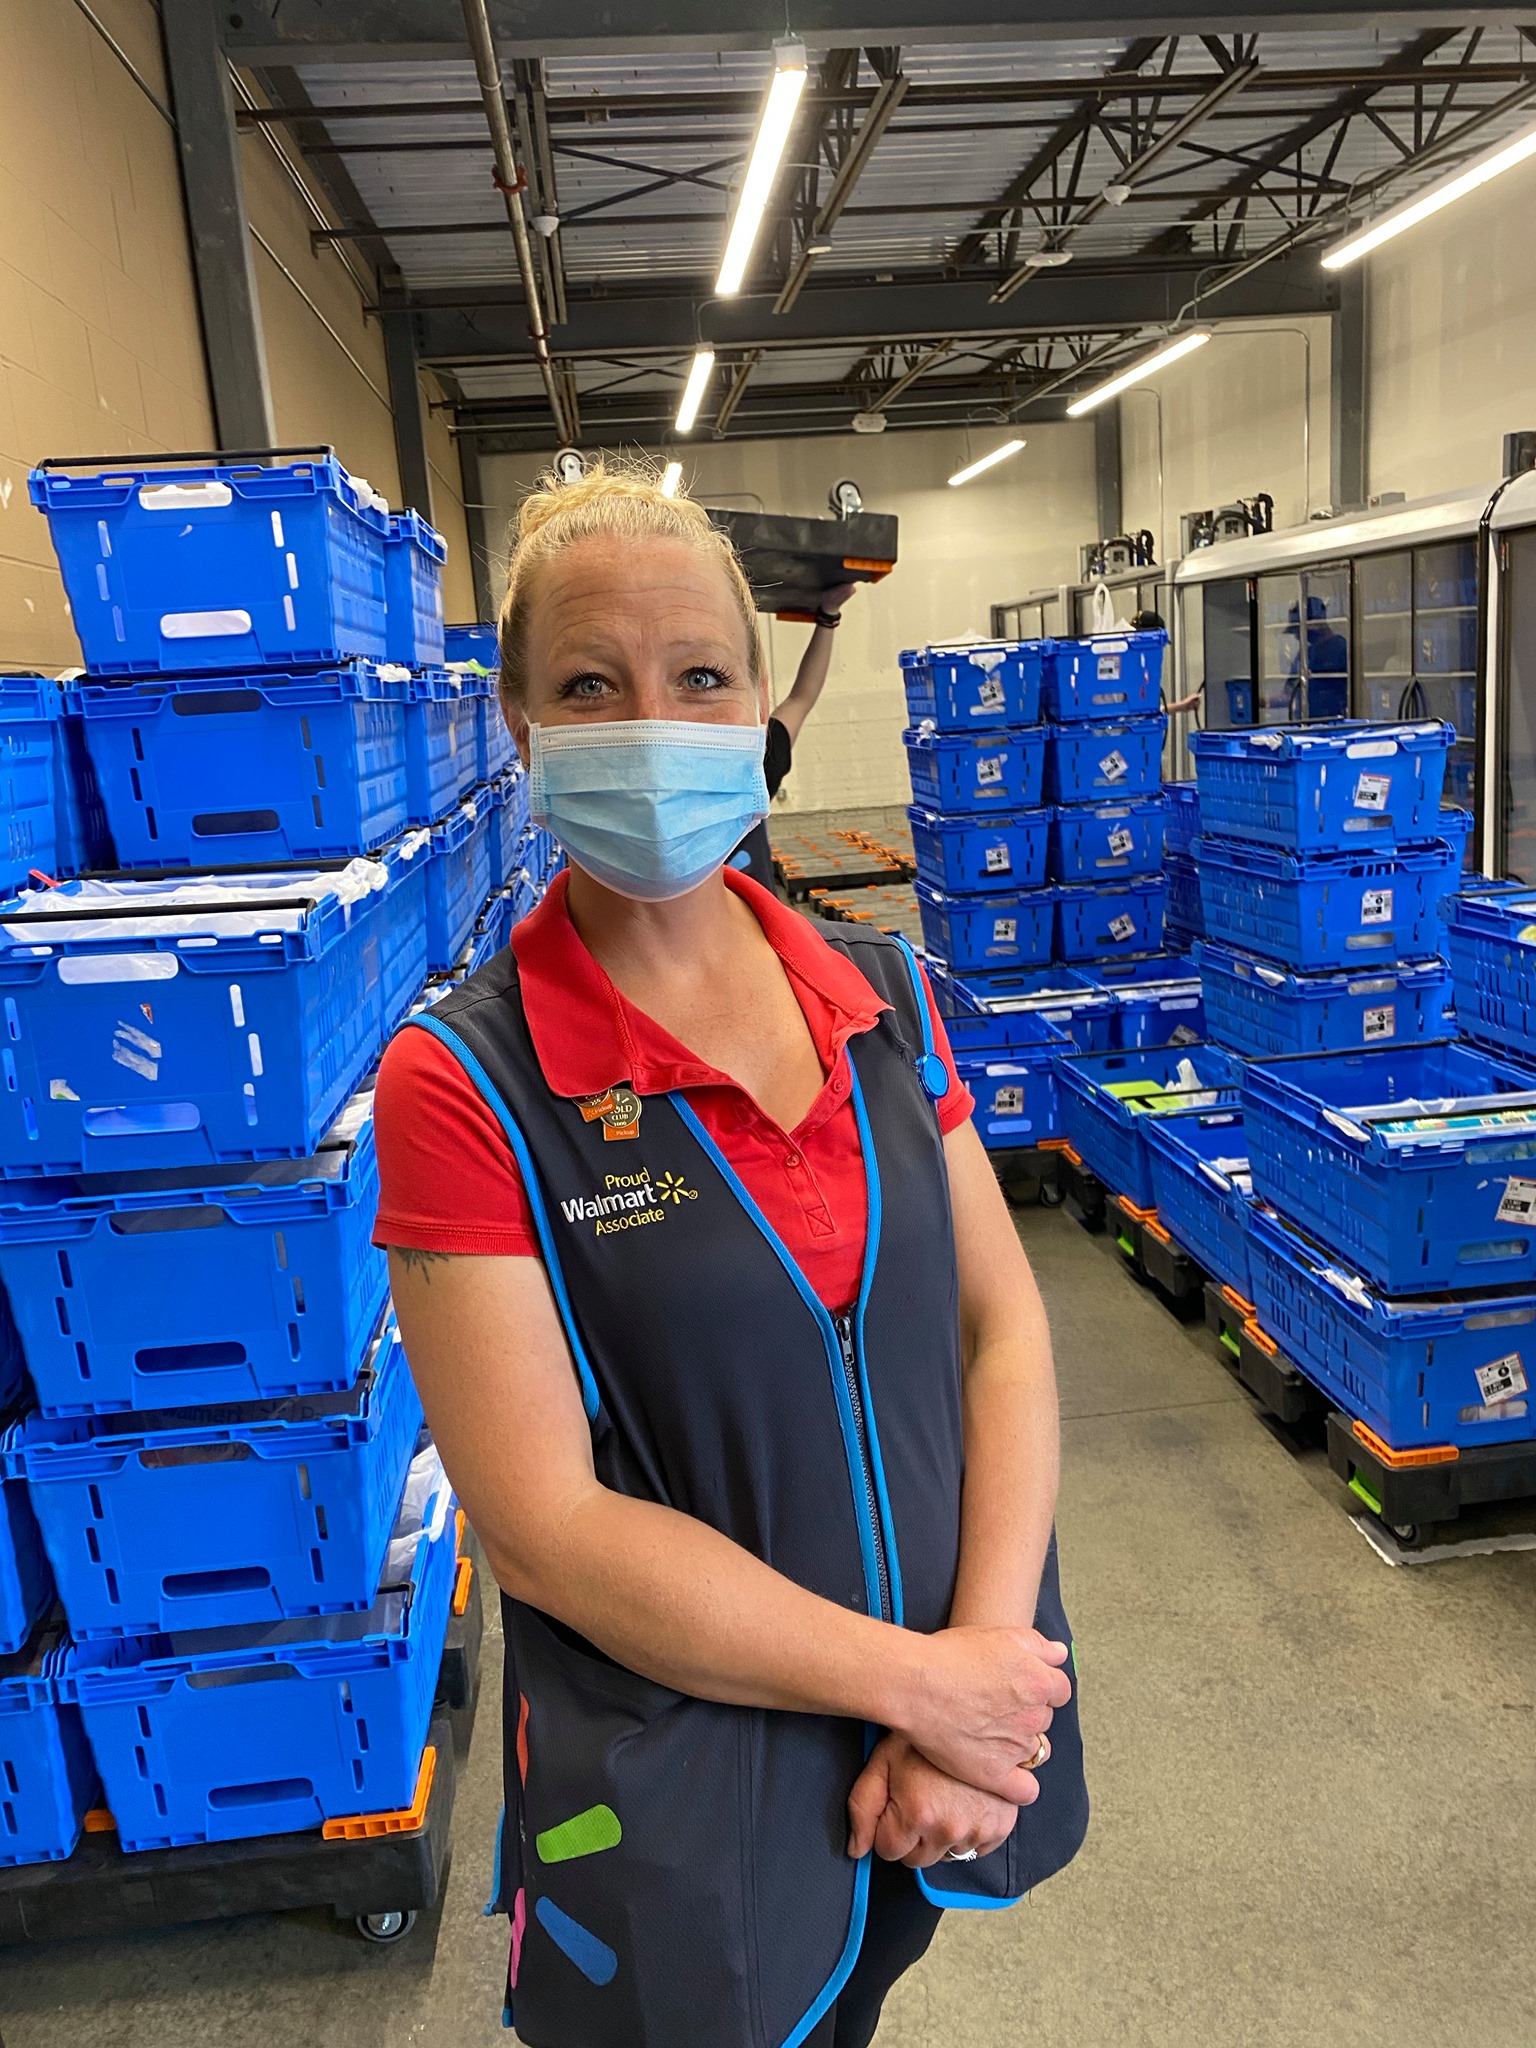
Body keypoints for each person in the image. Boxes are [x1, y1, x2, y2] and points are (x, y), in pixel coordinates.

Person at [372, 460, 1087, 2048]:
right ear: (519, 725)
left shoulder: (883, 994)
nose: (653, 720)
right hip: (693, 1801)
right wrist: (922, 1688)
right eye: (589, 684)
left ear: (762, 703)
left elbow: (1002, 1331)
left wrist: (980, 1672)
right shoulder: (470, 1084)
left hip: (940, 1756)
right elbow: (548, 1529)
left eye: (700, 675)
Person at [730, 579, 859, 891]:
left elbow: (802, 697)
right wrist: (827, 616)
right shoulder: (752, 767)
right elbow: (801, 698)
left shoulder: (757, 766)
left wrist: (828, 616)